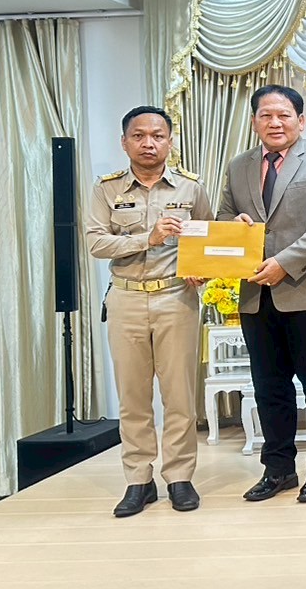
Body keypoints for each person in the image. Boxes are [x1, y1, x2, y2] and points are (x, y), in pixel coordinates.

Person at [218, 84, 306, 503]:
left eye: (283, 115)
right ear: (254, 121)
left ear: (300, 120)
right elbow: (223, 214)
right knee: (269, 387)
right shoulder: (238, 166)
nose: (275, 123)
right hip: (256, 293)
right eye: (266, 115)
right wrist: (233, 224)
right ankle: (278, 469)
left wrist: (284, 263)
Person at [85, 106, 212, 517]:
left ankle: (179, 477)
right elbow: (95, 242)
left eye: (157, 136)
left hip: (176, 298)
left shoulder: (191, 187)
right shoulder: (106, 189)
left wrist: (203, 269)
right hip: (125, 299)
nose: (148, 143)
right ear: (124, 142)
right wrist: (148, 238)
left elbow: (209, 238)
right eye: (138, 136)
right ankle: (138, 480)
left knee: (179, 395)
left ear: (170, 142)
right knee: (133, 396)